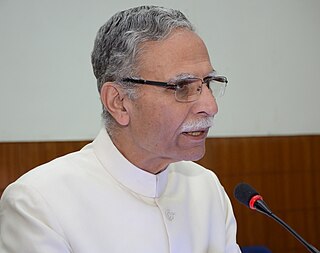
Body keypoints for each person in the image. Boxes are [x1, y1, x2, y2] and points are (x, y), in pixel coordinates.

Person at [0, 5, 241, 253]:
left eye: (209, 83)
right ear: (119, 102)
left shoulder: (206, 187)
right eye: (181, 87)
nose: (210, 107)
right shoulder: (38, 203)